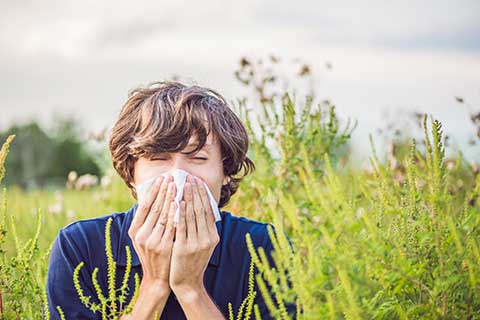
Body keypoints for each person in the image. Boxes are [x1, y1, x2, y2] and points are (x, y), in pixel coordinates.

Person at [45, 81, 297, 319]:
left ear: (224, 172)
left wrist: (191, 290)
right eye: (158, 158)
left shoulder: (263, 248)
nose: (179, 176)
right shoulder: (80, 247)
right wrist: (154, 286)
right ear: (131, 172)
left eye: (198, 158)